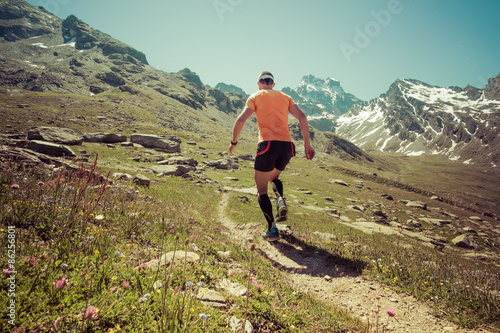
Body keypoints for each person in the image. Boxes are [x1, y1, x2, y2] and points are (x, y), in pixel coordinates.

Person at [229, 71, 315, 241]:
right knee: (274, 176)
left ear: (259, 83)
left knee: (261, 190)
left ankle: (272, 230)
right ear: (273, 84)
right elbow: (302, 117)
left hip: (267, 144)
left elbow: (240, 120)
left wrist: (234, 142)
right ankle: (281, 200)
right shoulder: (285, 97)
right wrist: (307, 145)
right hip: (287, 146)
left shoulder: (255, 96)